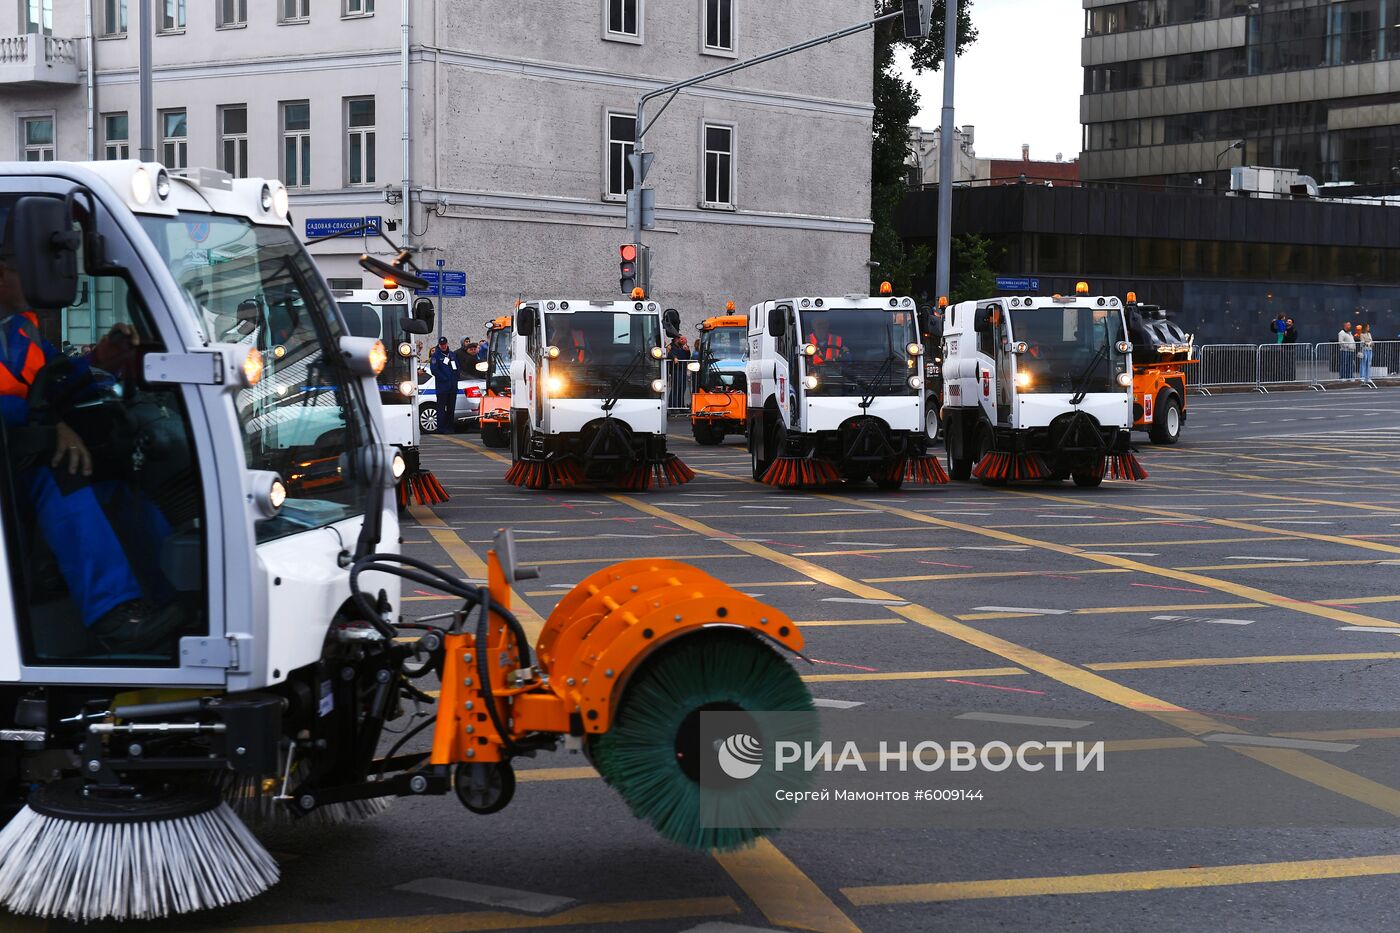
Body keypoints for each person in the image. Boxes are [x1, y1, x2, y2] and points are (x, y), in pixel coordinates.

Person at [0, 226, 181, 652]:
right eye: (27, 268)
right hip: (16, 464)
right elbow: (25, 404)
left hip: (17, 458)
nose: (40, 281)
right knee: (61, 474)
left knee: (121, 481)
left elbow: (53, 381)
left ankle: (171, 598)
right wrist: (45, 426)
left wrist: (103, 361)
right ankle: (111, 614)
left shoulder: (20, 330)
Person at [429, 336, 460, 432]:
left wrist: (456, 377)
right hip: (442, 387)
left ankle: (450, 427)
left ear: (447, 344)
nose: (443, 346)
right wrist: (444, 378)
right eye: (441, 345)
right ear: (439, 345)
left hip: (453, 386)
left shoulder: (452, 354)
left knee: (451, 408)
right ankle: (441, 428)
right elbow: (434, 370)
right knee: (441, 409)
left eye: (444, 344)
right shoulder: (436, 356)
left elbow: (457, 367)